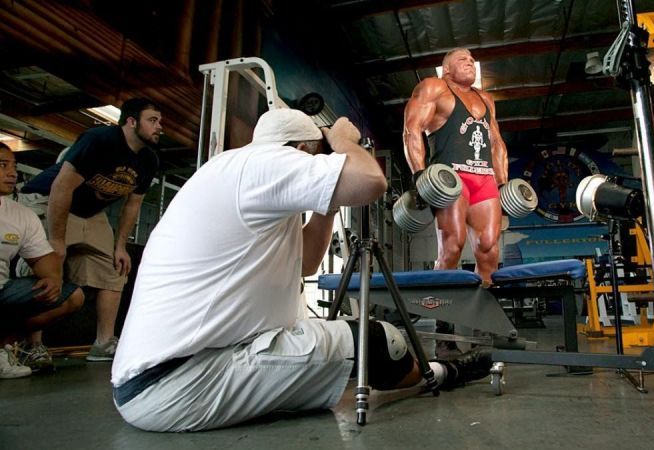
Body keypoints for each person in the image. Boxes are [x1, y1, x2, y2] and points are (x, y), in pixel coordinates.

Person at [111, 109, 492, 432]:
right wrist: (343, 143)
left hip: (165, 374)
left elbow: (308, 262)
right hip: (184, 381)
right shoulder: (266, 163)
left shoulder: (237, 173)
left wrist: (327, 199)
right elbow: (371, 181)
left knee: (328, 347)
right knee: (379, 341)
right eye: (316, 156)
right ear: (302, 150)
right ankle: (444, 373)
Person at [21, 98, 161, 362]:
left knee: (114, 268)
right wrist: (57, 240)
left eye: (159, 121)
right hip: (47, 199)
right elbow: (61, 188)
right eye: (152, 120)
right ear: (131, 122)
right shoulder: (99, 140)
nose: (159, 127)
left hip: (89, 212)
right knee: (44, 266)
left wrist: (120, 246)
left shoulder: (148, 160)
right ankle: (31, 346)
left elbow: (133, 205)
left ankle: (104, 343)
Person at [403, 48, 509, 283]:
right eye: (463, 59)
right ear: (447, 69)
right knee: (453, 245)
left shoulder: (486, 99)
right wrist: (419, 174)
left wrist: (502, 183)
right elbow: (412, 130)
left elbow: (497, 143)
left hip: (484, 178)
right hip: (451, 178)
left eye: (472, 60)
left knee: (489, 248)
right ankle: (440, 307)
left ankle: (480, 311)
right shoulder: (434, 87)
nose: (470, 62)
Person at [0, 143, 84, 378]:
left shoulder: (22, 215)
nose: (11, 173)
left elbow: (43, 258)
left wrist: (53, 277)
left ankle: (0, 348)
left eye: (13, 166)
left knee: (71, 296)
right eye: (2, 165)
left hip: (3, 289)